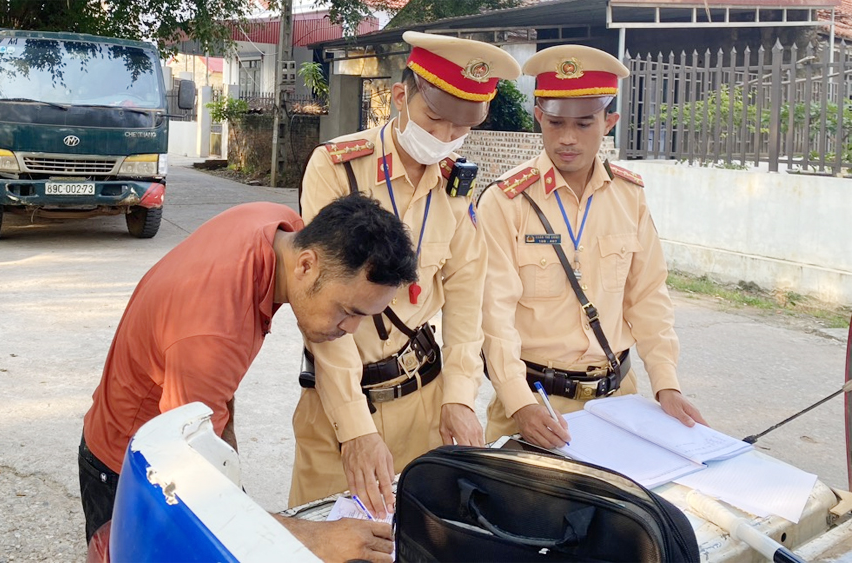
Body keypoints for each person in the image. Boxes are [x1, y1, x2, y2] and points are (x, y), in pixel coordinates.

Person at [80, 195, 417, 563]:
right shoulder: (212, 330)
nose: (351, 329)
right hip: (134, 469)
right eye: (348, 311)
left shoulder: (279, 226)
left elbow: (216, 398)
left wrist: (226, 458)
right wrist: (316, 538)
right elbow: (194, 496)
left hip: (176, 430)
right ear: (307, 265)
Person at [289, 31, 521, 518]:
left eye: (459, 129)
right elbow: (326, 310)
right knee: (327, 537)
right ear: (400, 96)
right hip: (339, 406)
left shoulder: (457, 188)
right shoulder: (339, 169)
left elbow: (465, 300)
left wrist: (459, 396)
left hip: (425, 397)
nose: (442, 139)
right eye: (434, 119)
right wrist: (355, 430)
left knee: (424, 536)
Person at [477, 44, 708, 450]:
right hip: (538, 406)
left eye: (584, 124)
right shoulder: (506, 201)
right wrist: (519, 403)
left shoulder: (629, 195)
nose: (567, 138)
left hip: (619, 402)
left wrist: (666, 385)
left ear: (610, 122)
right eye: (555, 123)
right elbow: (493, 315)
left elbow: (649, 295)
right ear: (539, 118)